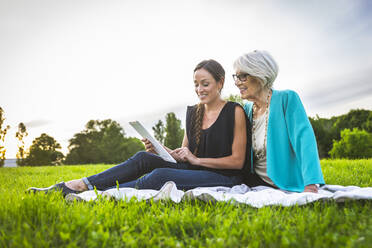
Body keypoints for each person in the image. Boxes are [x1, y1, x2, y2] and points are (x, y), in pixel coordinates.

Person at [28, 59, 251, 196]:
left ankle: (97, 193)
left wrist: (196, 160)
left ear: (220, 82)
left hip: (224, 176)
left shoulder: (235, 111)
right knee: (142, 158)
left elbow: (237, 162)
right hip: (195, 170)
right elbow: (183, 155)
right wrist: (161, 149)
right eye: (195, 84)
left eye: (205, 83)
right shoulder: (194, 112)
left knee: (161, 175)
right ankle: (78, 184)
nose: (199, 89)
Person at [232, 50, 325, 193]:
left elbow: (304, 141)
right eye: (236, 77)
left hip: (285, 182)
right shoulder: (247, 109)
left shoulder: (287, 98)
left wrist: (311, 184)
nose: (237, 82)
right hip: (255, 181)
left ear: (260, 75)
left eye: (242, 76)